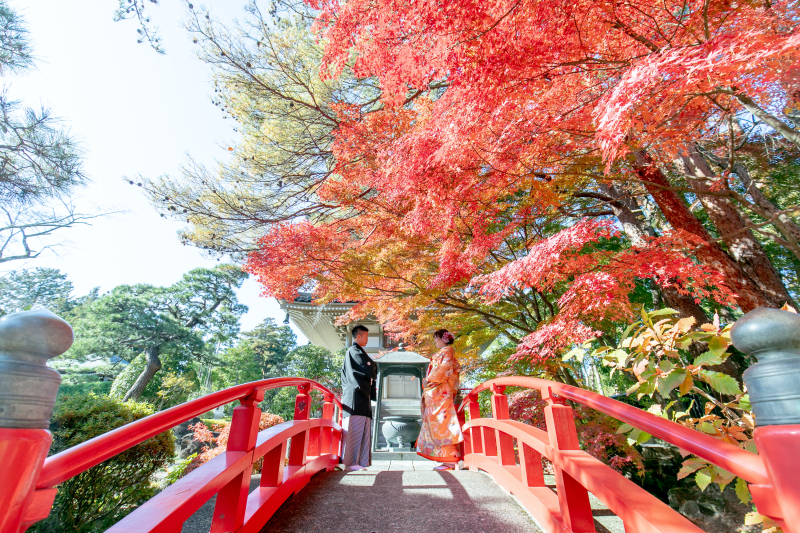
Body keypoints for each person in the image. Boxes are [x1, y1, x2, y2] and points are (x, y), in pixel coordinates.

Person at [416, 329, 464, 470]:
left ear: (445, 339)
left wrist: (428, 380)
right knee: (440, 425)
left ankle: (449, 461)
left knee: (443, 425)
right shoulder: (444, 352)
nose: (435, 341)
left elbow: (443, 370)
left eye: (437, 338)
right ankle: (448, 459)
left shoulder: (447, 351)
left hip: (441, 396)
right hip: (438, 396)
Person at [340, 324, 377, 470]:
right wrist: (373, 367)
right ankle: (350, 462)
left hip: (362, 395)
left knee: (363, 430)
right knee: (354, 430)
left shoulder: (358, 351)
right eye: (366, 337)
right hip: (355, 396)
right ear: (359, 336)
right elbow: (369, 366)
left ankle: (361, 462)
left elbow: (369, 366)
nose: (367, 340)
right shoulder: (354, 350)